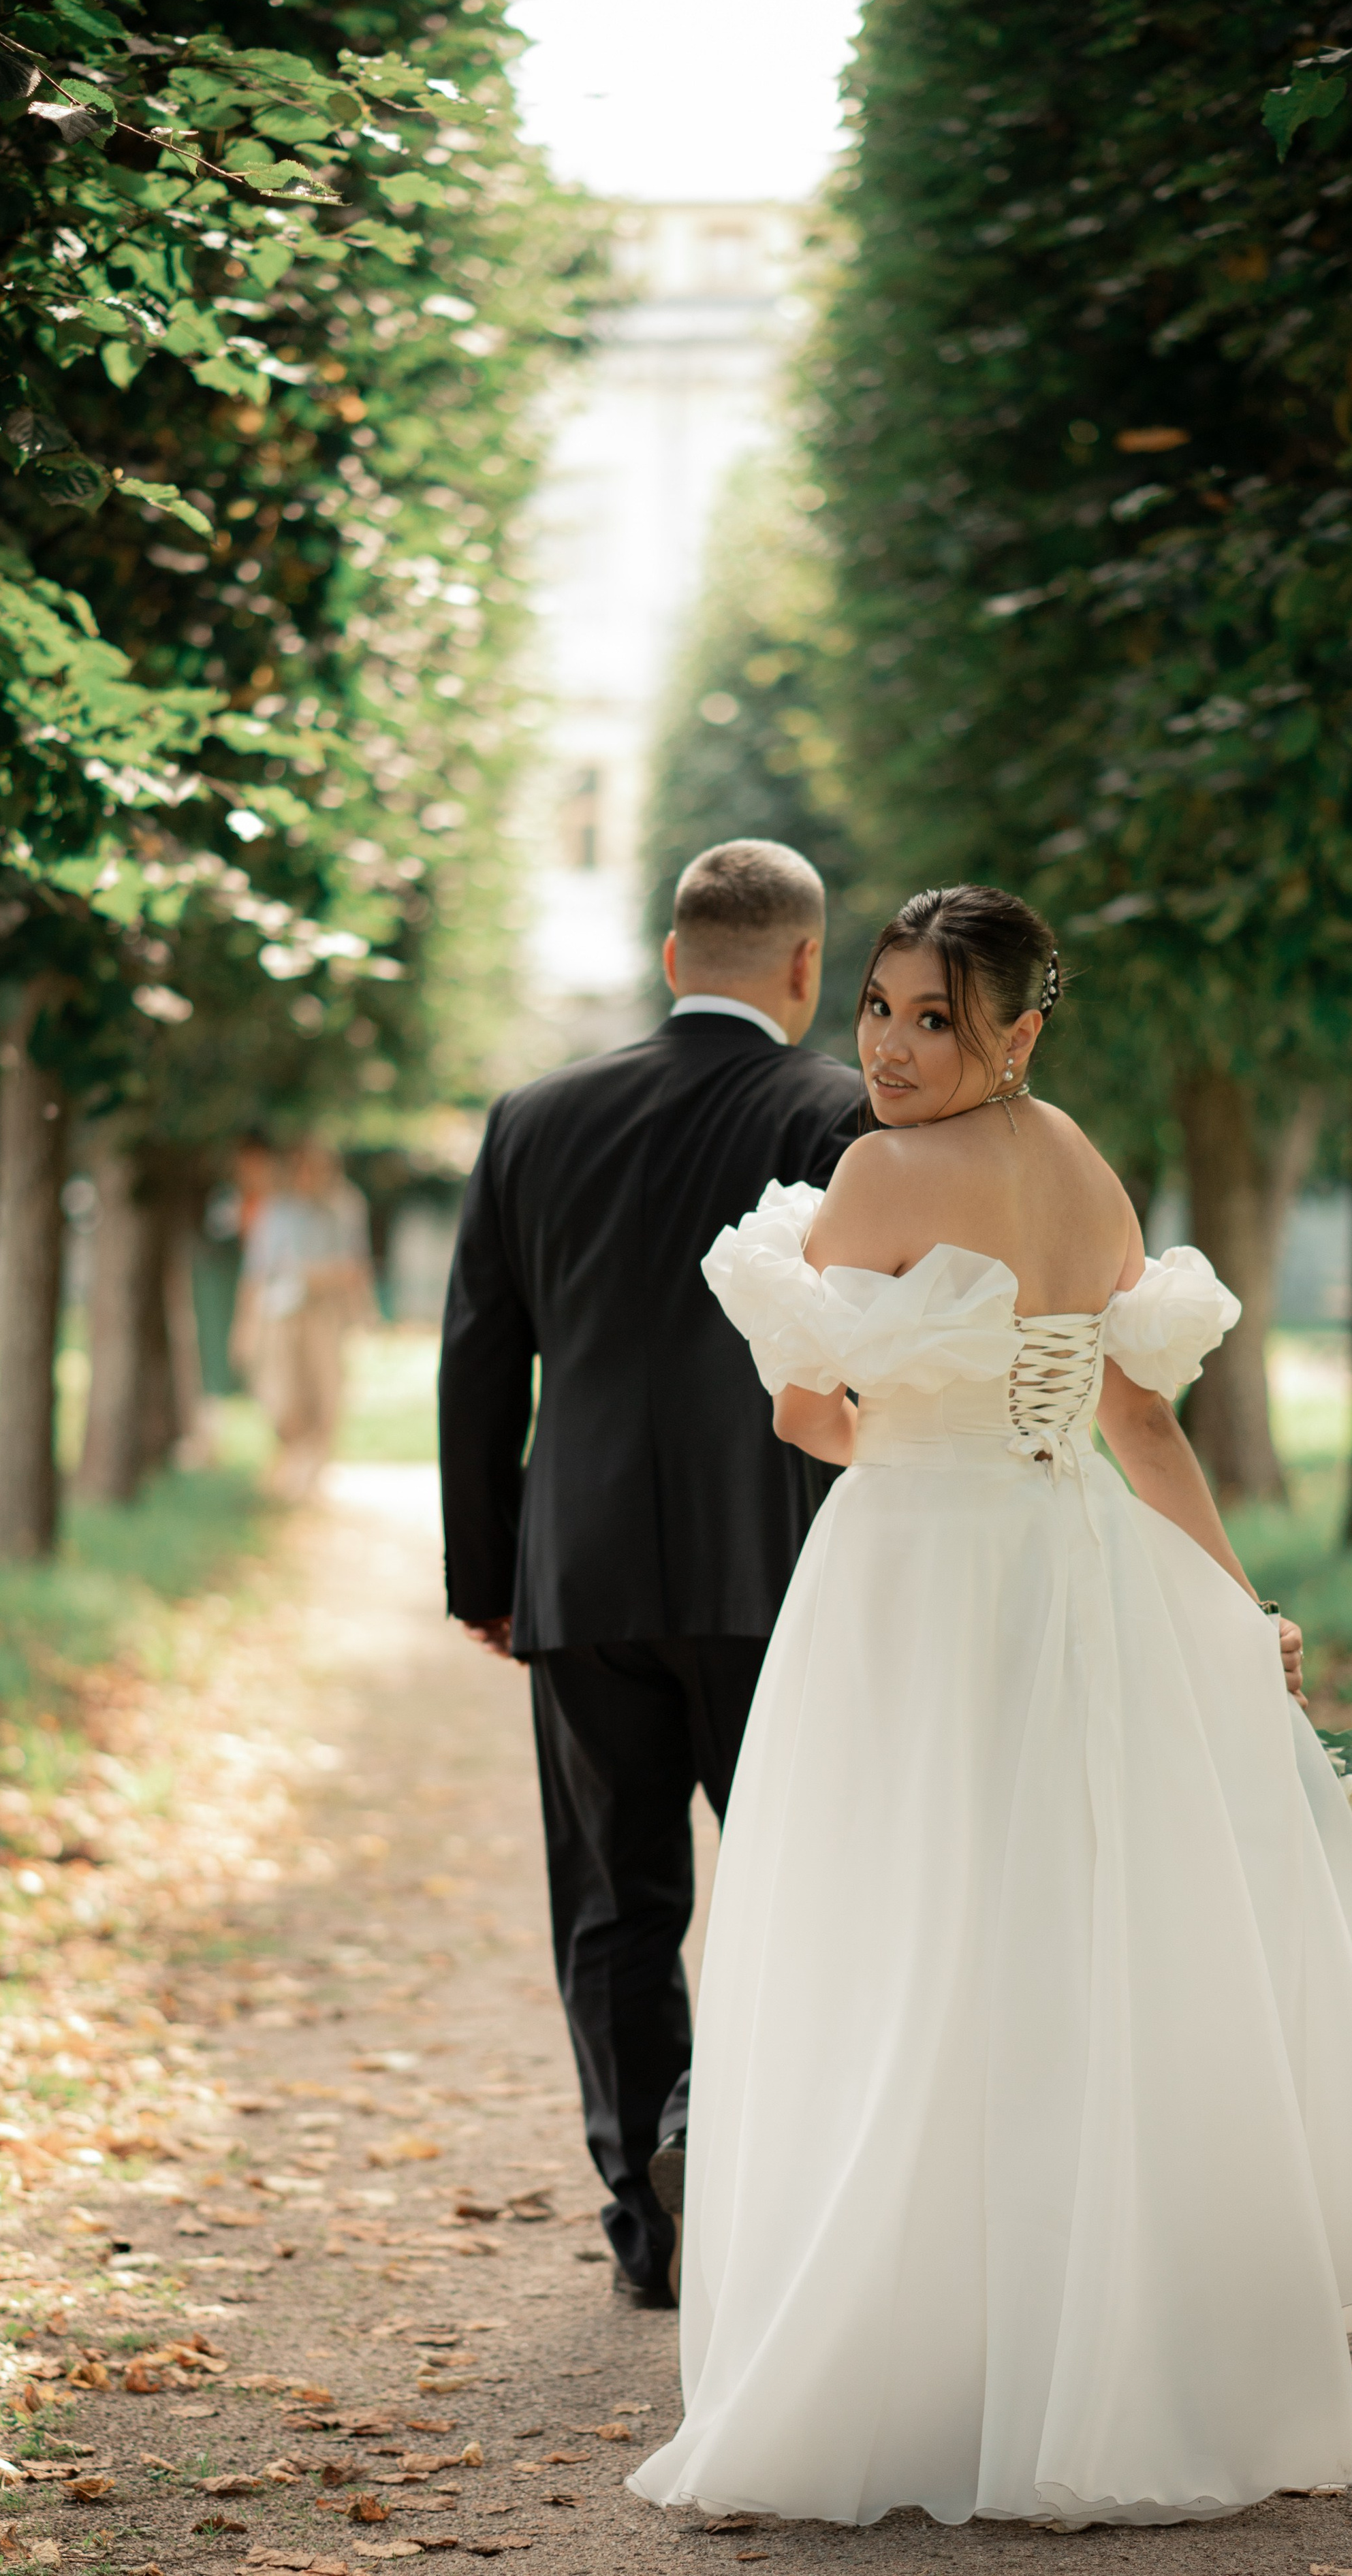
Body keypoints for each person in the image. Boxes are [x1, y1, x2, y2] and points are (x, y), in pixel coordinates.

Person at [631, 884, 1352, 2530]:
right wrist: (1241, 1606)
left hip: (911, 1582)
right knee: (1063, 1946)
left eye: (930, 1018)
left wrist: (917, 1428)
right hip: (1072, 1568)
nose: (883, 1046)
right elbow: (1139, 1426)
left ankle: (914, 2369)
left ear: (1015, 1029)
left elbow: (814, 1413)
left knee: (897, 1941)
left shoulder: (872, 1175)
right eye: (874, 1007)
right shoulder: (1081, 1161)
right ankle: (1090, 2365)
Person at [438, 840, 862, 2309]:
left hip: (585, 1569)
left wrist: (487, 1574)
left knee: (616, 1901)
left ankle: (648, 2214)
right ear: (804, 968)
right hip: (788, 1568)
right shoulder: (846, 1117)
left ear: (672, 955)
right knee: (806, 1879)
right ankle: (768, 2174)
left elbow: (481, 1366)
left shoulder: (534, 1116)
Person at [233, 1137, 373, 1499]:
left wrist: (363, 1313)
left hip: (325, 1314)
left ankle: (312, 1473)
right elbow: (256, 1273)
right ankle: (290, 1460)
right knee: (280, 1395)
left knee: (325, 1394)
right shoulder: (274, 1210)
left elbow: (355, 1266)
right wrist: (244, 1326)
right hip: (280, 1314)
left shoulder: (343, 1206)